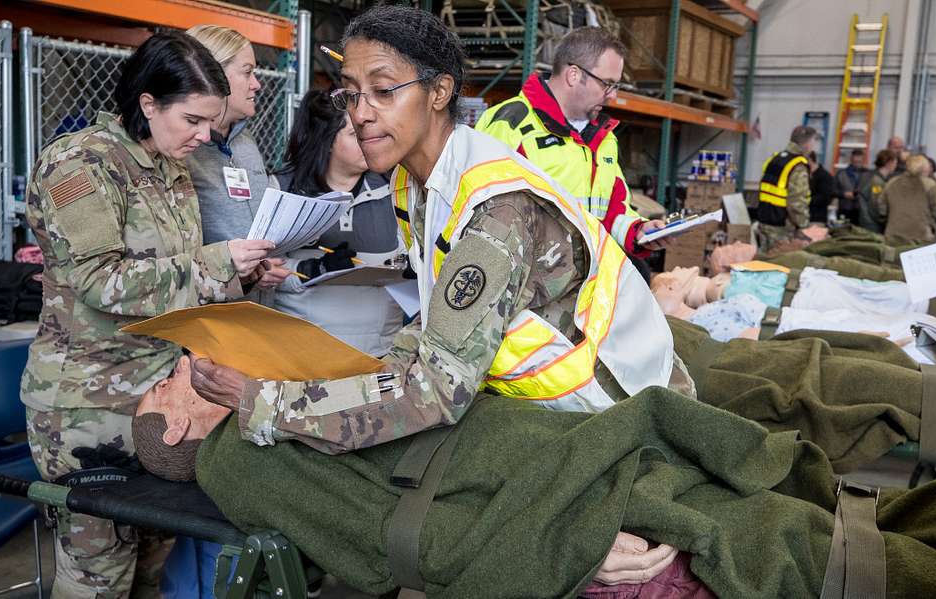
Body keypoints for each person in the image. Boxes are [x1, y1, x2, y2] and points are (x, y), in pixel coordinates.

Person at [188, 3, 692, 577]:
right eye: (350, 94)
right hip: (539, 402)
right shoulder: (416, 182)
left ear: (438, 91)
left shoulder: (495, 212)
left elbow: (434, 392)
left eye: (383, 91)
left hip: (611, 415)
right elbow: (435, 325)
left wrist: (263, 401)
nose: (361, 114)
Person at [132, 353, 936, 598]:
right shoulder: (237, 453)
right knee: (775, 540)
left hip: (559, 453)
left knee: (769, 486)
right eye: (175, 378)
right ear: (176, 422)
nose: (193, 362)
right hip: (554, 497)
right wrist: (573, 547)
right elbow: (387, 541)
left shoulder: (269, 400)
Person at [21, 32, 274, 597]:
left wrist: (241, 272)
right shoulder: (80, 163)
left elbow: (173, 281)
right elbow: (98, 280)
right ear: (148, 103)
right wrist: (215, 266)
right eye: (192, 120)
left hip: (157, 402)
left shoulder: (171, 167)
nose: (204, 136)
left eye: (210, 122)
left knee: (151, 567)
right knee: (97, 577)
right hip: (86, 408)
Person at [475, 27, 666, 258]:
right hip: (526, 285)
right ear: (573, 75)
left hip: (585, 281)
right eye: (607, 84)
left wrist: (639, 231)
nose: (613, 96)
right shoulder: (510, 125)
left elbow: (613, 211)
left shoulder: (604, 140)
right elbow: (481, 217)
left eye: (616, 86)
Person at [272, 89, 406, 356]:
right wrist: (312, 269)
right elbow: (260, 270)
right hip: (304, 349)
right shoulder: (283, 188)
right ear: (328, 140)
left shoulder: (397, 188)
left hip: (379, 349)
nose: (369, 140)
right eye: (356, 134)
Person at [184, 25, 291, 292]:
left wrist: (261, 269)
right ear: (212, 75)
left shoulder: (246, 142)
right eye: (247, 72)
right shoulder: (183, 149)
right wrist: (236, 275)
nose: (257, 84)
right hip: (206, 310)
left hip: (256, 305)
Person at [755, 126, 817, 253]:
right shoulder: (798, 165)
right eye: (814, 141)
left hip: (764, 220)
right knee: (778, 265)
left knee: (763, 261)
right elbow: (796, 202)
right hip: (781, 227)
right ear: (808, 143)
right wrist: (804, 227)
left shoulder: (775, 158)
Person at [878, 154, 936, 244]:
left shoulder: (892, 182)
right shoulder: (931, 185)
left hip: (893, 236)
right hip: (921, 237)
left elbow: (881, 208)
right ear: (926, 168)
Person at [856, 148, 896, 233]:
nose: (895, 166)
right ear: (889, 163)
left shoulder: (872, 177)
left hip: (867, 221)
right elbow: (875, 204)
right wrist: (883, 219)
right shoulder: (877, 182)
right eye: (895, 163)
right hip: (872, 224)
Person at [833, 149, 866, 224]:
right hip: (844, 210)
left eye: (859, 162)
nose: (857, 164)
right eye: (855, 162)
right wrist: (844, 194)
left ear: (863, 160)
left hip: (862, 213)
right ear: (851, 160)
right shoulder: (841, 174)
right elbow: (832, 191)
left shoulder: (867, 174)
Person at [806, 151, 837, 224]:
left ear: (809, 160)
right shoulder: (805, 175)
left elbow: (825, 198)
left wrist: (804, 201)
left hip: (816, 219)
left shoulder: (825, 176)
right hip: (804, 216)